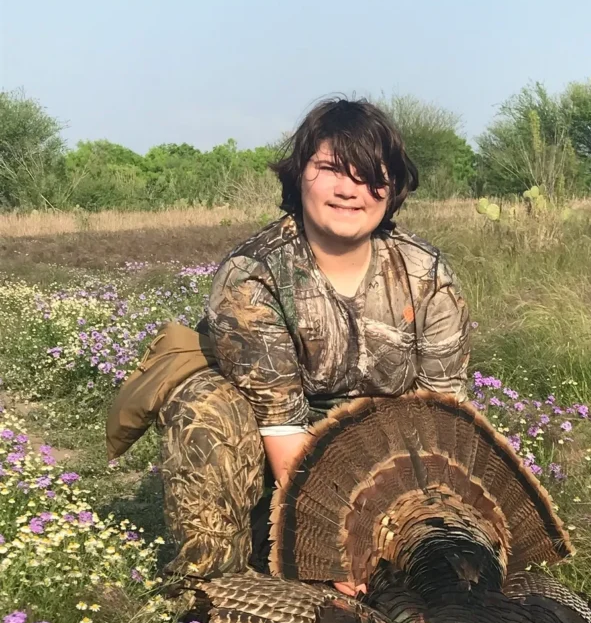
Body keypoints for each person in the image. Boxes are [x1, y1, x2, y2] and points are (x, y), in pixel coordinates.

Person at [155, 98, 471, 597]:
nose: (349, 190)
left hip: (385, 453)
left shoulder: (425, 273)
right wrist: (336, 543)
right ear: (299, 175)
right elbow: (281, 425)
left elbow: (442, 414)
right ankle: (212, 590)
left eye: (371, 175)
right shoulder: (253, 275)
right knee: (205, 412)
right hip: (280, 444)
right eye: (329, 169)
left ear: (392, 190)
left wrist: (414, 524)